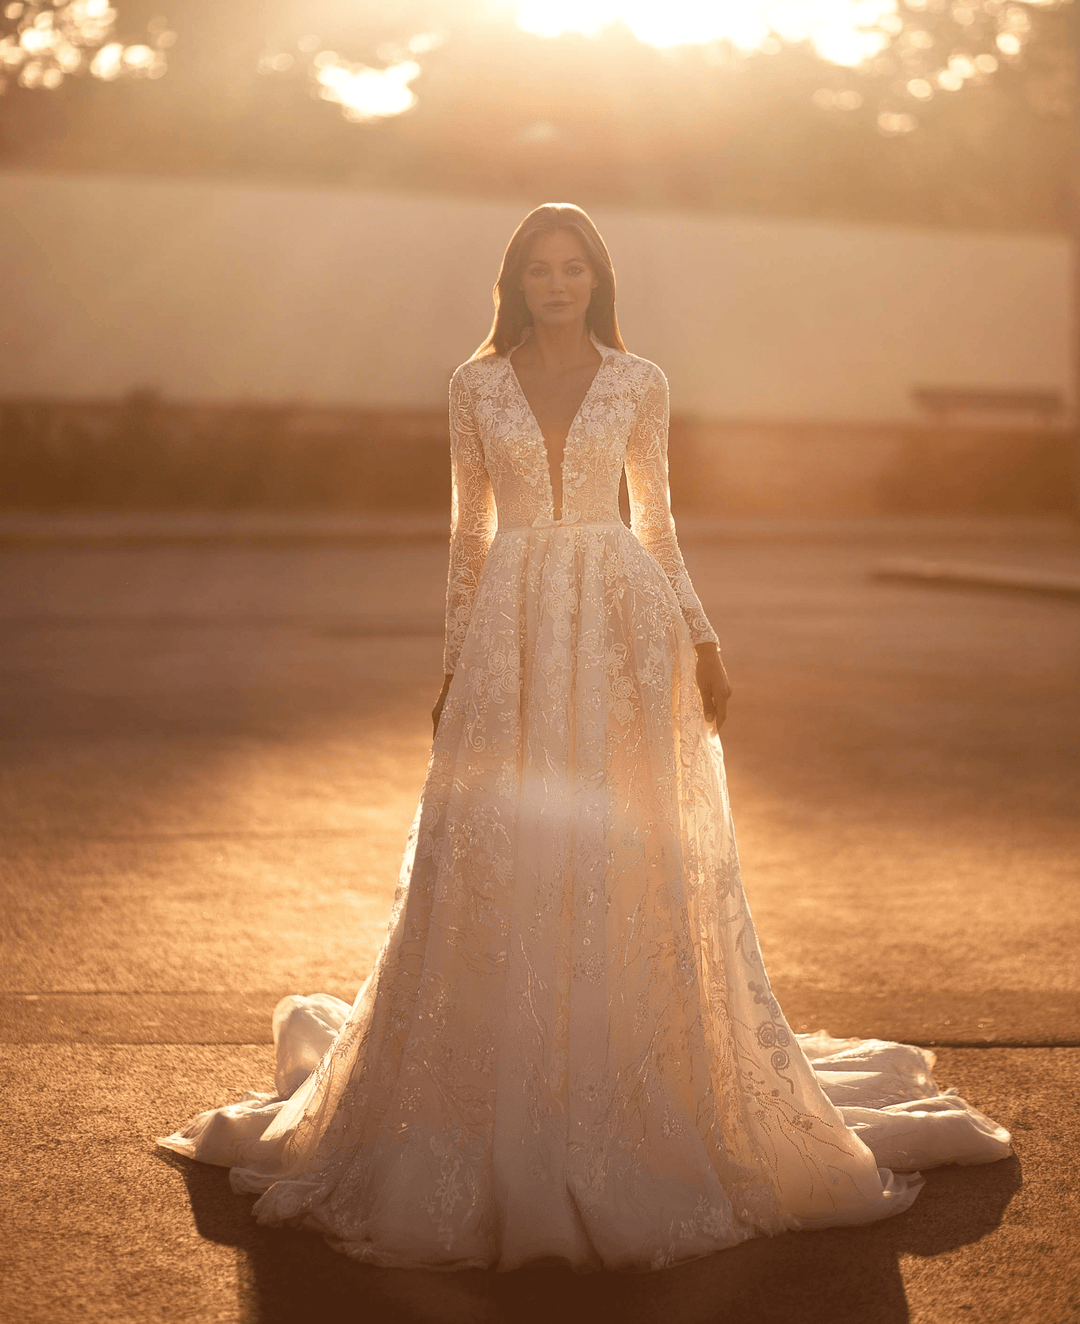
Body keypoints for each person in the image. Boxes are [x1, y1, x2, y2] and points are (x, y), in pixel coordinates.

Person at [159, 203, 1010, 1270]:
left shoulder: (639, 380)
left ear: (596, 280)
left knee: (619, 855)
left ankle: (627, 1082)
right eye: (538, 269)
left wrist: (702, 639)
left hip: (621, 629)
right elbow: (468, 534)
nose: (556, 284)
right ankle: (506, 1084)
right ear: (512, 281)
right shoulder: (473, 386)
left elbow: (656, 523)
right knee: (502, 851)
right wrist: (454, 663)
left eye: (574, 269)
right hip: (513, 627)